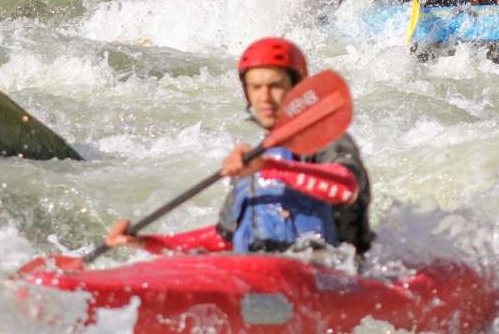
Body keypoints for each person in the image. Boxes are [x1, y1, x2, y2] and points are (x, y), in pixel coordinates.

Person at [104, 38, 374, 256]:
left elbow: (346, 187)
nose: (264, 97)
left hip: (332, 278)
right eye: (255, 87)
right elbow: (224, 239)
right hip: (264, 278)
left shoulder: (327, 139)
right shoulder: (255, 161)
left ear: (297, 88)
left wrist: (269, 168)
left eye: (275, 85)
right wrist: (149, 243)